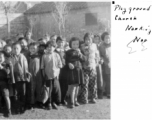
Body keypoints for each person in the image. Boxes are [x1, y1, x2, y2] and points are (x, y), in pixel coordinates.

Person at [41, 41, 62, 110]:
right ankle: (49, 102)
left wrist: (57, 74)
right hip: (48, 76)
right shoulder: (44, 56)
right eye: (48, 47)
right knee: (49, 90)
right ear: (46, 48)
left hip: (55, 75)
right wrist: (44, 75)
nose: (50, 48)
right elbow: (42, 67)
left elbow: (59, 65)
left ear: (54, 47)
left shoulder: (57, 55)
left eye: (51, 47)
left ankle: (54, 102)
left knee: (55, 89)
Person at [65, 37, 86, 108]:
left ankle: (75, 100)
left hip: (79, 70)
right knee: (73, 87)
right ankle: (71, 102)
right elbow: (66, 60)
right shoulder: (68, 52)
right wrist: (68, 64)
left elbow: (84, 59)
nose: (75, 46)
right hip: (72, 71)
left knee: (77, 87)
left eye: (77, 44)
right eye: (73, 44)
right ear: (70, 44)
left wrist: (80, 54)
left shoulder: (79, 51)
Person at [11, 43, 31, 113]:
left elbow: (25, 67)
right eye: (14, 48)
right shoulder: (11, 57)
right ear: (12, 49)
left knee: (23, 93)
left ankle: (22, 106)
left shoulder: (23, 57)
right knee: (15, 94)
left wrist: (26, 75)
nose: (16, 50)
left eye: (17, 48)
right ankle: (17, 107)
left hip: (22, 78)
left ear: (20, 49)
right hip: (14, 79)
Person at [79, 32, 98, 104]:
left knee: (93, 83)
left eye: (89, 39)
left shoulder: (94, 46)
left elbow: (96, 55)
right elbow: (80, 56)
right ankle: (84, 98)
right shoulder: (81, 46)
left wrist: (96, 62)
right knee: (85, 83)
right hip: (84, 67)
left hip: (92, 67)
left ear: (92, 40)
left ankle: (93, 97)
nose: (88, 41)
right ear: (84, 40)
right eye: (86, 39)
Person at [28, 42, 43, 109]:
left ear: (37, 49)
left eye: (34, 48)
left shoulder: (39, 56)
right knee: (32, 89)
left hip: (38, 75)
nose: (33, 49)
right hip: (31, 75)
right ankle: (32, 102)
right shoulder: (28, 57)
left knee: (39, 88)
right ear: (29, 49)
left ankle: (39, 101)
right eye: (31, 48)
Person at [0, 51, 14, 117]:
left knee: (6, 96)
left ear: (4, 58)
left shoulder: (7, 64)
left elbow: (8, 73)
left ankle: (9, 110)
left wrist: (2, 67)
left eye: (1, 57)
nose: (0, 58)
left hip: (4, 83)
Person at [55, 36, 67, 105]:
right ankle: (58, 100)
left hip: (65, 70)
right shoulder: (55, 51)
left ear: (64, 43)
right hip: (58, 70)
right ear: (56, 42)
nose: (60, 43)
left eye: (62, 42)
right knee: (58, 85)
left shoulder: (65, 51)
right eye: (59, 42)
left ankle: (63, 99)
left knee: (64, 85)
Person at [99, 32, 111, 98]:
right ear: (103, 39)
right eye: (106, 38)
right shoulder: (101, 46)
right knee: (108, 79)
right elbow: (100, 55)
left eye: (109, 37)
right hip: (106, 65)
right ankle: (108, 92)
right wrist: (102, 59)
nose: (108, 39)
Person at [93, 34, 104, 99]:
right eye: (95, 39)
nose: (96, 40)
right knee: (94, 78)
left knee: (99, 78)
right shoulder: (91, 46)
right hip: (93, 63)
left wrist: (101, 59)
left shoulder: (100, 46)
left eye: (98, 39)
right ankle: (94, 94)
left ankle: (100, 93)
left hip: (99, 64)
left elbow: (102, 55)